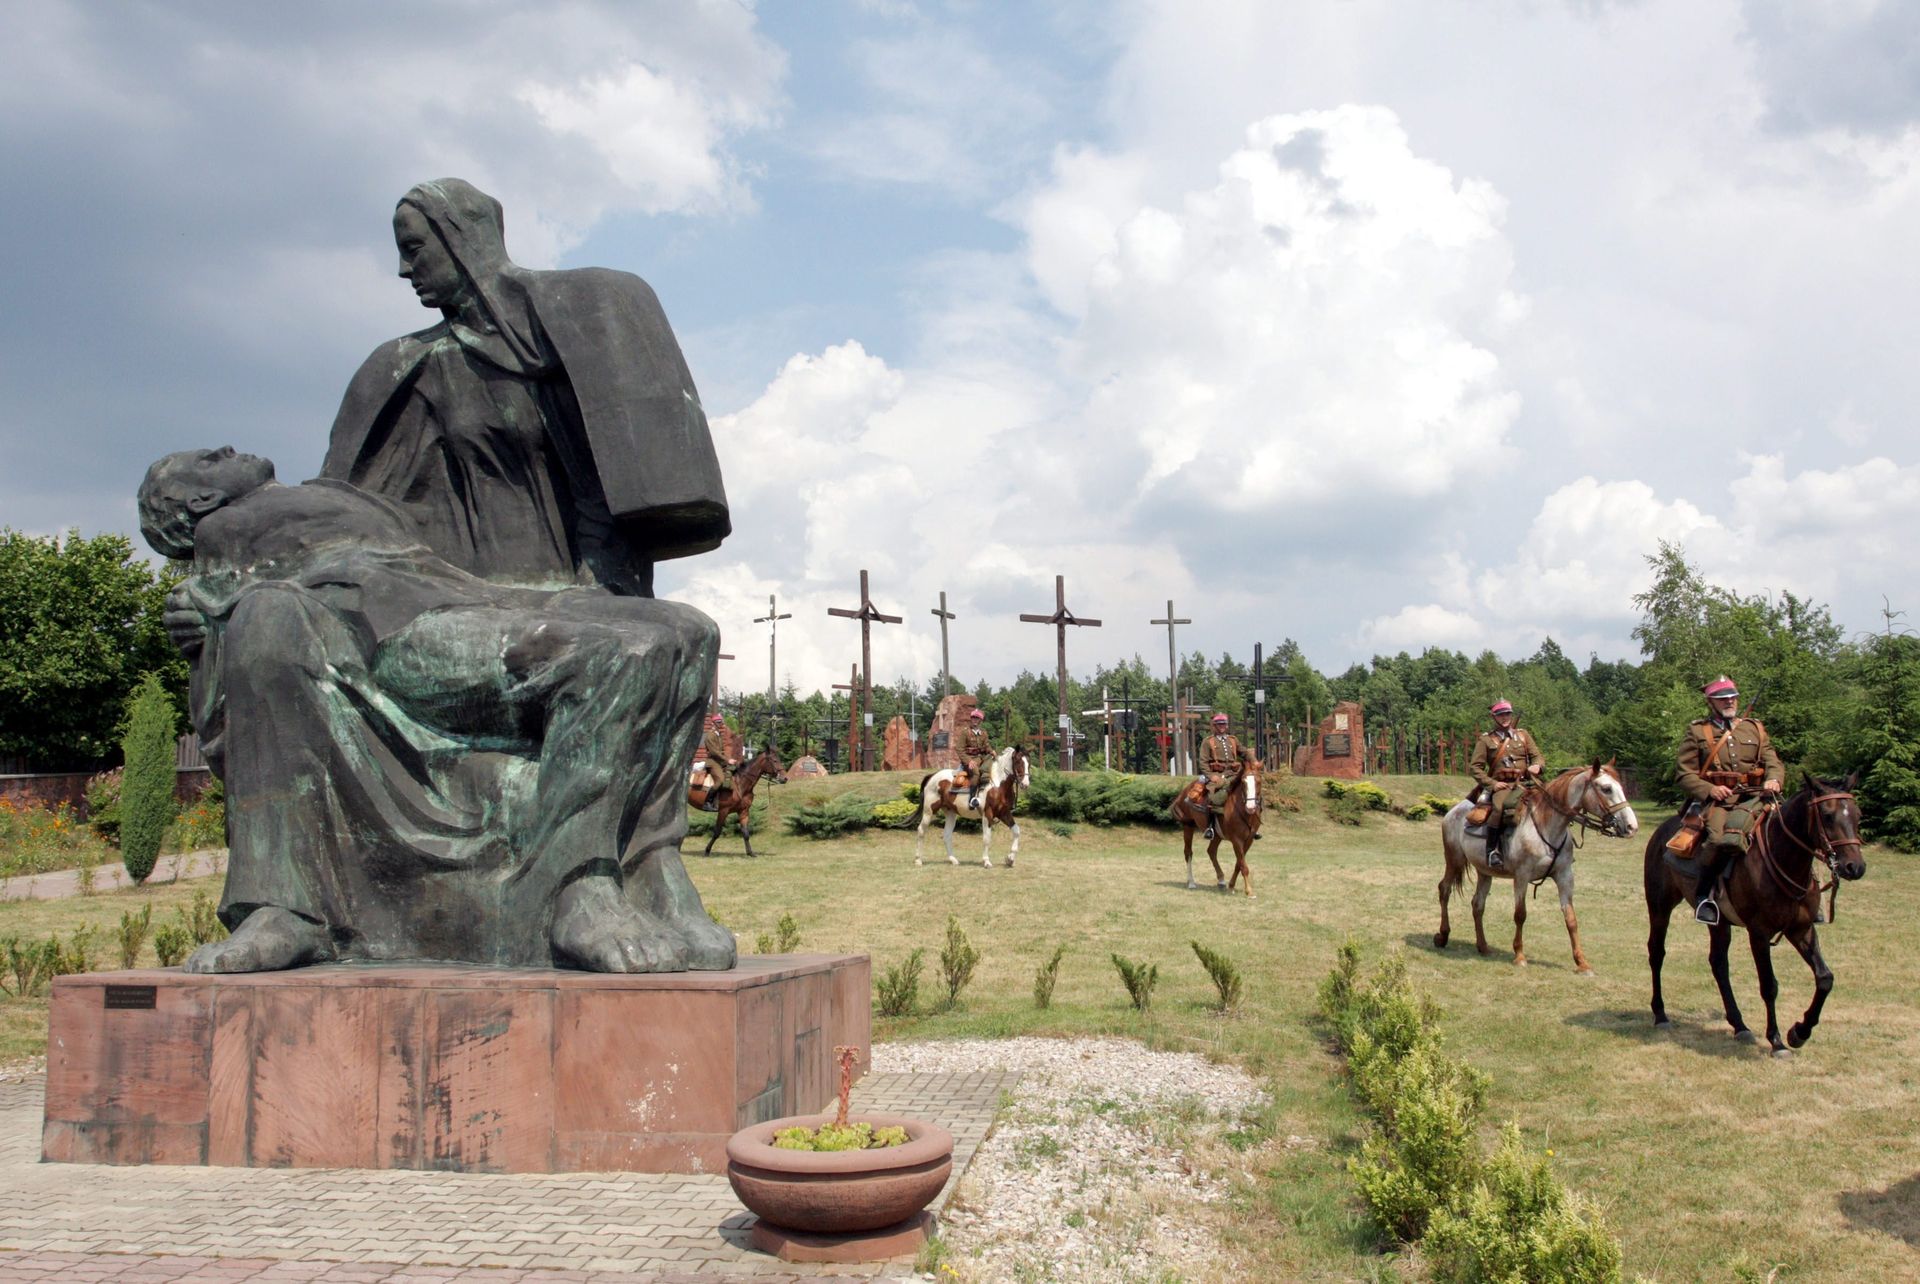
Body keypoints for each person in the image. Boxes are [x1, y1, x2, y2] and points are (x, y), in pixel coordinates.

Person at [139, 447, 731, 974]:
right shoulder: (229, 526)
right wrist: (198, 614)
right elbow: (218, 606)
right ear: (201, 500)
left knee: (692, 632)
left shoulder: (320, 494)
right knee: (616, 656)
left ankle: (652, 864)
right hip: (399, 633)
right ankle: (578, 888)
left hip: (469, 598)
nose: (227, 449)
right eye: (208, 462)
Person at [322, 178, 729, 595]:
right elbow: (350, 510)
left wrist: (598, 590)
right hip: (458, 595)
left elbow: (620, 492)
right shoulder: (410, 366)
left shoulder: (583, 316)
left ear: (459, 239)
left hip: (586, 594)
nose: (404, 270)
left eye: (414, 248)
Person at [1676, 675, 1783, 925]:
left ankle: (1806, 897)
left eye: (1733, 697)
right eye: (1722, 698)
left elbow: (1772, 761)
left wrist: (1774, 779)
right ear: (1711, 702)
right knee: (1717, 840)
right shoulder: (1698, 731)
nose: (1729, 701)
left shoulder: (1754, 728)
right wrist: (1709, 790)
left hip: (1757, 797)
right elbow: (1684, 774)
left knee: (1797, 829)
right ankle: (1704, 896)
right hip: (1721, 803)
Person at [1467, 699, 1542, 870]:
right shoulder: (1486, 740)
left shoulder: (1523, 735)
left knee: (1552, 801)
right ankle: (1492, 850)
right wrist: (1492, 784)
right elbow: (1475, 767)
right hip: (1504, 786)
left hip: (1526, 782)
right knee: (1499, 808)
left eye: (1507, 714)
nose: (1505, 717)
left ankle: (1558, 846)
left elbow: (1537, 756)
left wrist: (1537, 765)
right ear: (1494, 717)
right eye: (1500, 715)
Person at [1198, 713, 1253, 840]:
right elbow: (1203, 762)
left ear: (1227, 726)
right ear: (1214, 726)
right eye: (1219, 724)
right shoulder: (1208, 742)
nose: (1222, 726)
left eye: (1224, 724)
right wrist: (1211, 776)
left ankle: (1251, 826)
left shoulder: (1233, 740)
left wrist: (1253, 761)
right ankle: (1211, 827)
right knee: (1215, 798)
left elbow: (1244, 752)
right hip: (1217, 776)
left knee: (1250, 791)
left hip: (1234, 774)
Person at [698, 714, 737, 807]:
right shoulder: (710, 735)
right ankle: (707, 801)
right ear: (713, 723)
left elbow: (722, 751)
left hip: (719, 761)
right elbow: (714, 752)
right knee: (720, 781)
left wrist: (730, 759)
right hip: (712, 762)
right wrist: (727, 760)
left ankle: (723, 800)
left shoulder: (718, 734)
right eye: (718, 722)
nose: (720, 724)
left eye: (721, 722)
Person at [958, 708, 994, 804]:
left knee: (991, 769)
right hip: (969, 759)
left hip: (981, 758)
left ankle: (986, 794)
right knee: (976, 773)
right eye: (973, 718)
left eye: (977, 718)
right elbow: (959, 749)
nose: (975, 720)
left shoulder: (983, 732)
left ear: (980, 720)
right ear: (971, 719)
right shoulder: (965, 732)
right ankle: (972, 798)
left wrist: (992, 751)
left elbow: (986, 746)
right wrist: (968, 761)